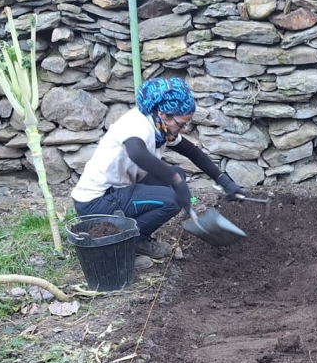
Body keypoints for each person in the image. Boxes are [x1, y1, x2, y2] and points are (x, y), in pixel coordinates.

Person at [71, 77, 247, 266]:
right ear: (163, 114)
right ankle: (133, 241)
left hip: (117, 191)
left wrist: (224, 181)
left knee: (178, 174)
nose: (183, 129)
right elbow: (137, 153)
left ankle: (132, 232)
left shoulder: (160, 128)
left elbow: (192, 152)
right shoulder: (137, 125)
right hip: (96, 203)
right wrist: (176, 184)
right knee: (172, 199)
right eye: (180, 124)